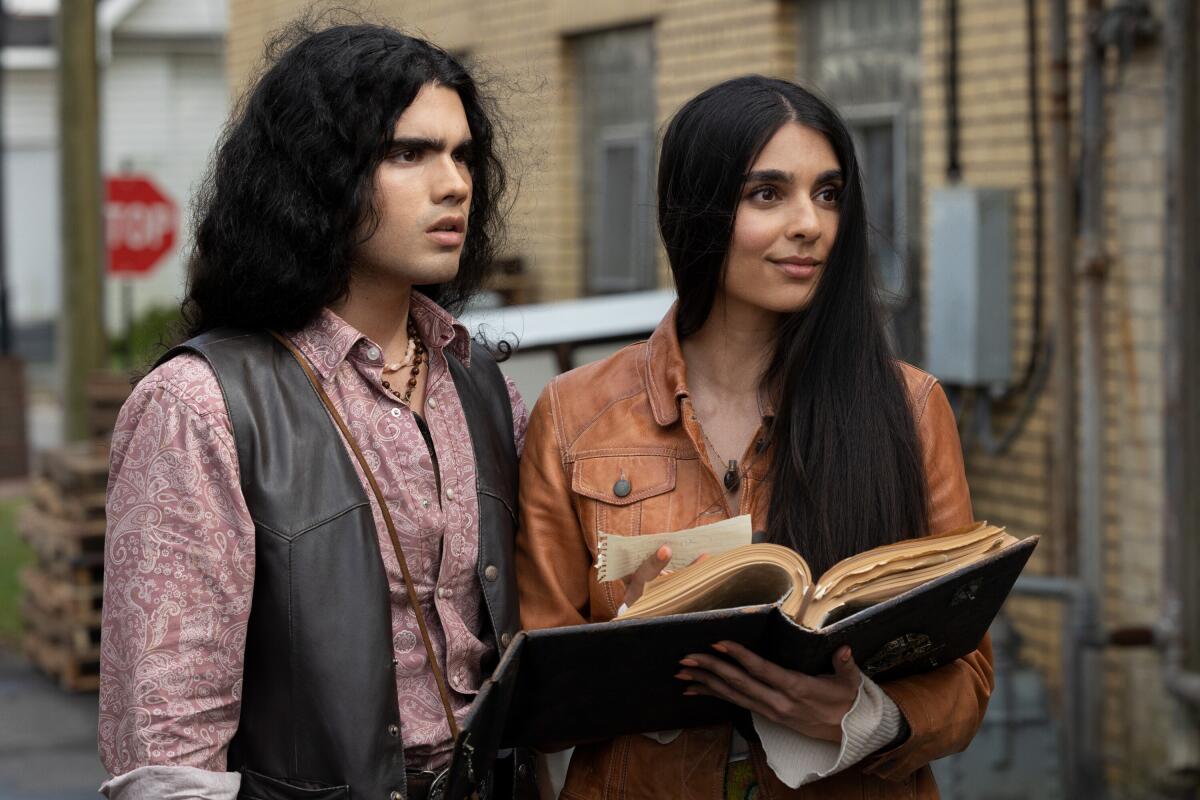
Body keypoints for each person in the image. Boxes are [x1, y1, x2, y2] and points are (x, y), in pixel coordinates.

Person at [516, 75, 993, 799]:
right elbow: (536, 702)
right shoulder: (575, 413)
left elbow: (967, 676)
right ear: (699, 209)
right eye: (767, 194)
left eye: (828, 194)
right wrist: (631, 632)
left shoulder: (909, 407)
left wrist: (863, 717)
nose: (810, 224)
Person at [98, 22, 536, 800]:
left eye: (462, 154)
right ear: (317, 172)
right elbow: (165, 762)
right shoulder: (200, 406)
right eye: (409, 153)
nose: (455, 184)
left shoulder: (482, 385)